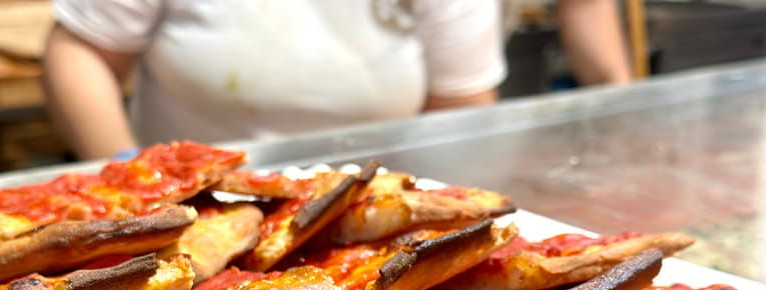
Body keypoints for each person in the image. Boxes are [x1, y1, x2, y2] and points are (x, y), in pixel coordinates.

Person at [43, 1, 630, 160]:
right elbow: (81, 51)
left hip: (365, 226)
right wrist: (128, 173)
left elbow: (459, 114)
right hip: (190, 210)